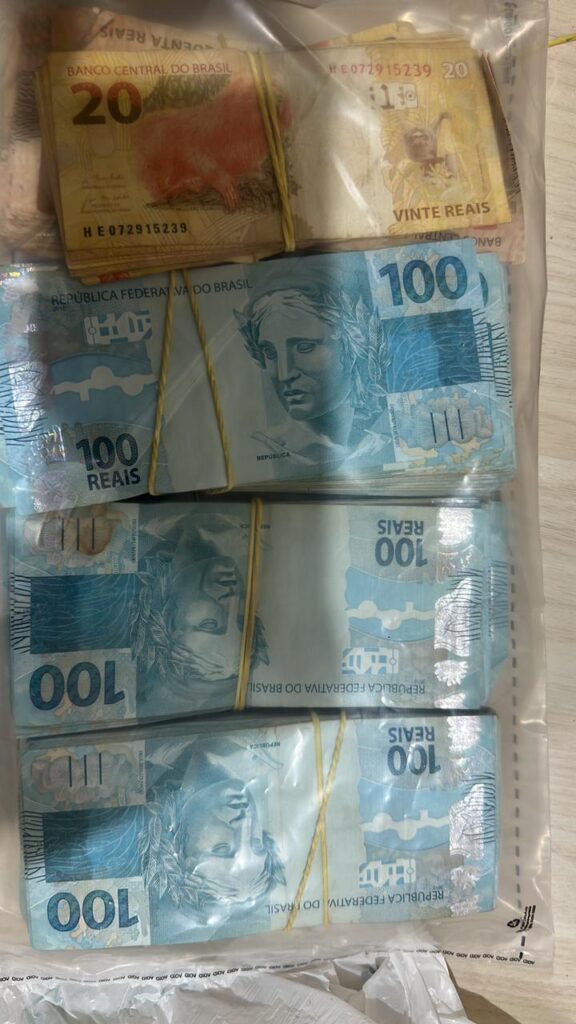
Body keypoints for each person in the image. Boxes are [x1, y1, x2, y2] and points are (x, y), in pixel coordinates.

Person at [235, 269, 391, 467]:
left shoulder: (380, 444)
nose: (284, 374)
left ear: (352, 345)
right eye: (270, 352)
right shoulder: (257, 450)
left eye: (304, 347)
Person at [141, 745, 285, 919]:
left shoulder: (154, 755)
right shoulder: (275, 754)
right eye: (256, 843)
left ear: (178, 847)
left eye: (221, 848)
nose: (245, 824)